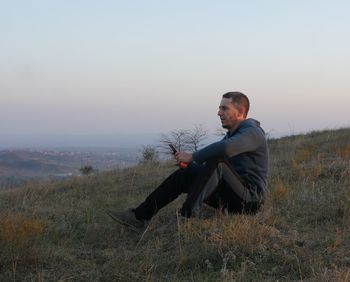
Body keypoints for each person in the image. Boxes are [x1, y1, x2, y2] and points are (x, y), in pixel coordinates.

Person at [106, 92, 269, 230]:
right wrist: (190, 165)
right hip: (231, 196)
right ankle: (139, 217)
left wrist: (193, 156)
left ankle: (186, 217)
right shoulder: (232, 135)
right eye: (219, 108)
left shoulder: (252, 132)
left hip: (250, 200)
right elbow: (213, 172)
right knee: (184, 175)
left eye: (224, 108)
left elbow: (225, 150)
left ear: (240, 111)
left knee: (217, 161)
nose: (219, 113)